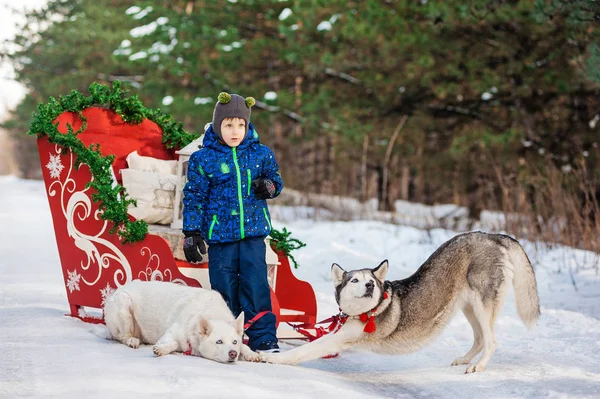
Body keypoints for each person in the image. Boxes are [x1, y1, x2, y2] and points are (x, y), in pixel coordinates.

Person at [182, 92, 283, 353]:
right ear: (218, 126)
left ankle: (264, 339)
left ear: (247, 126)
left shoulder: (260, 154)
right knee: (223, 287)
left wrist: (268, 186)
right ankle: (225, 339)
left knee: (255, 283)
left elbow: (276, 181)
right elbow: (194, 196)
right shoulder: (204, 159)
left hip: (252, 233)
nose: (235, 131)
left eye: (241, 125)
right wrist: (191, 231)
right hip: (220, 236)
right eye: (228, 125)